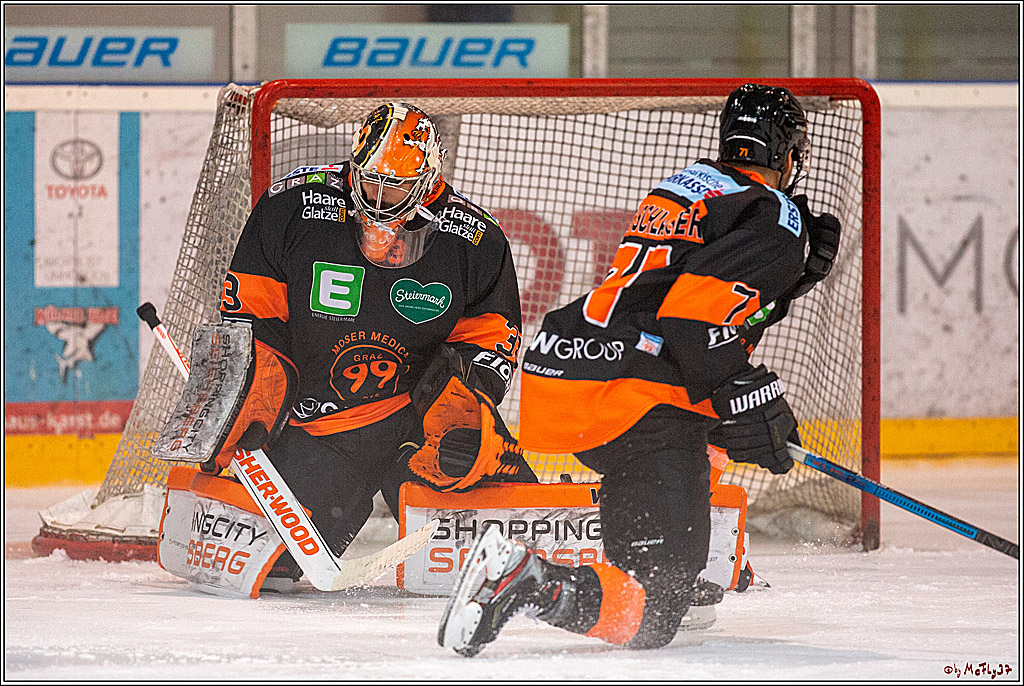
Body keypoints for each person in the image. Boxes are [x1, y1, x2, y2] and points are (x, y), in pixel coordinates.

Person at [438, 83, 842, 654]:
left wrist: (790, 281)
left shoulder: (692, 186)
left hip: (571, 372)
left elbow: (682, 298)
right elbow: (696, 328)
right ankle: (528, 578)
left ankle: (668, 546)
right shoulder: (773, 218)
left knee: (708, 426)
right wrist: (755, 398)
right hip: (634, 395)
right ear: (790, 154)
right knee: (656, 613)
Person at [214, 102, 537, 590]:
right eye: (372, 182)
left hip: (419, 421)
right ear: (353, 166)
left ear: (430, 176)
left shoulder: (473, 239)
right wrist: (251, 402)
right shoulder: (292, 208)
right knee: (268, 565)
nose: (383, 199)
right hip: (321, 423)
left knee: (513, 553)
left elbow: (491, 338)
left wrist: (461, 412)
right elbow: (250, 315)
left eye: (398, 186)